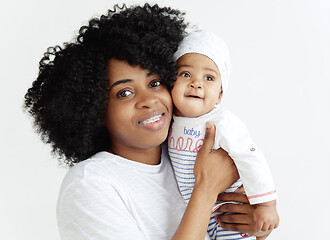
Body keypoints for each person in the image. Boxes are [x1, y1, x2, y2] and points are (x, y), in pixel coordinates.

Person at [24, 4, 273, 240]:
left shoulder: (184, 155)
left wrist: (253, 227)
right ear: (95, 110)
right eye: (124, 93)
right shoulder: (90, 185)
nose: (149, 100)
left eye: (155, 83)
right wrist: (206, 188)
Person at [168, 30, 279, 239]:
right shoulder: (167, 121)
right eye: (185, 74)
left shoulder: (222, 122)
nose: (196, 83)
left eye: (208, 77)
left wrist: (266, 204)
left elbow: (250, 156)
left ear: (219, 94)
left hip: (229, 210)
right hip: (197, 210)